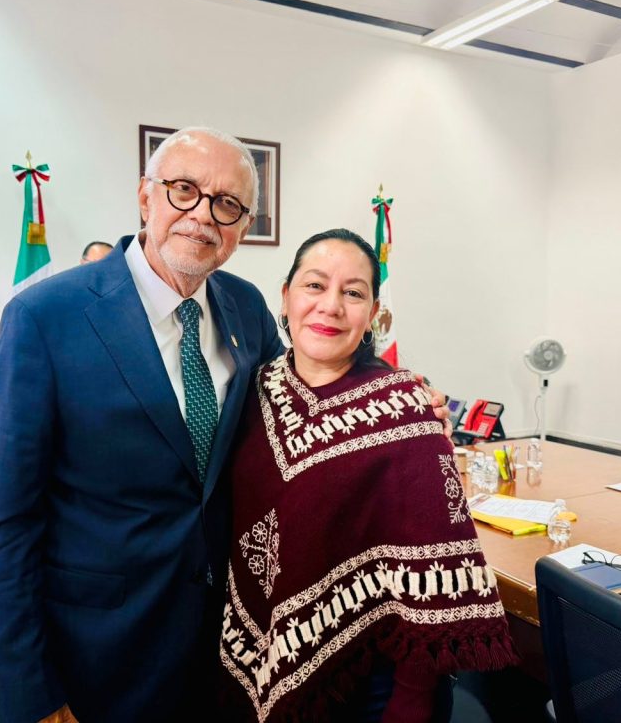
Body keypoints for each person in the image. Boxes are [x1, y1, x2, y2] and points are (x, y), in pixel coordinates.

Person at [0, 127, 451, 723]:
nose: (202, 215)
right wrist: (30, 694)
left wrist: (401, 400)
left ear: (242, 227)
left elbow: (304, 391)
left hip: (220, 651)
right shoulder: (46, 317)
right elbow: (3, 525)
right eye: (183, 190)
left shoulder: (244, 306)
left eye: (226, 204)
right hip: (95, 653)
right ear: (145, 196)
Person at [219, 229, 516, 722]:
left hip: (367, 682)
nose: (331, 306)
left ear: (374, 312)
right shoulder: (252, 390)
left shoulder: (406, 409)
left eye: (353, 293)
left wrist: (411, 702)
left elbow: (434, 571)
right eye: (315, 285)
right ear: (286, 297)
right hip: (252, 656)